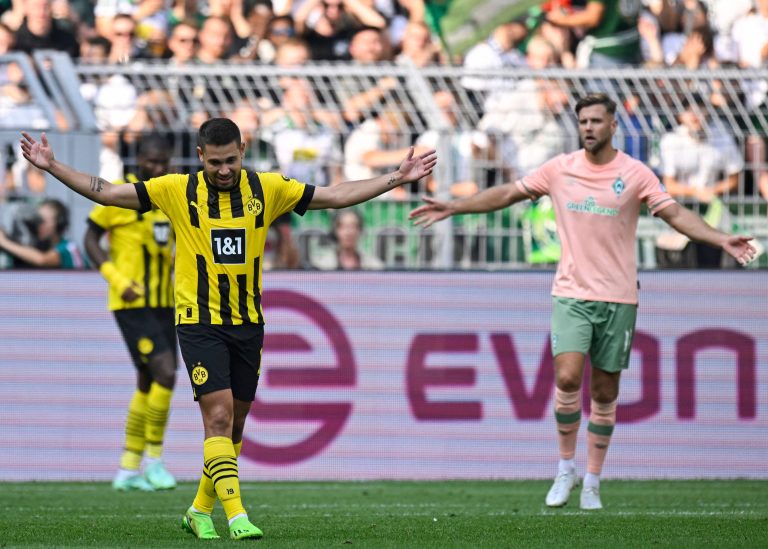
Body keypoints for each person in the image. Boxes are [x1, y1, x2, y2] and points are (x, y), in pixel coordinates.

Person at [20, 118, 436, 539]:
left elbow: (334, 195)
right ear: (200, 157)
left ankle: (200, 510)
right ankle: (237, 516)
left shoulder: (267, 189)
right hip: (199, 322)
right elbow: (106, 191)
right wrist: (53, 167)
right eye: (215, 162)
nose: (224, 170)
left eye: (231, 160)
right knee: (216, 417)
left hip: (248, 323)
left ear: (243, 149)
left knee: (234, 426)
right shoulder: (176, 190)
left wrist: (394, 179)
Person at [409, 93, 755, 510]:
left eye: (595, 121)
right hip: (571, 292)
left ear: (613, 126)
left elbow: (675, 214)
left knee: (605, 392)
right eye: (583, 121)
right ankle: (564, 467)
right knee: (569, 379)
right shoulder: (560, 169)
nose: (588, 127)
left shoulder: (635, 174)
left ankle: (592, 479)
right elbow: (507, 194)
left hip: (619, 297)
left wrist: (721, 238)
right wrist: (455, 207)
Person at [83, 134, 178, 492]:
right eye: (149, 160)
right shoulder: (119, 196)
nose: (155, 167)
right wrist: (115, 278)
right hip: (131, 303)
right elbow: (90, 239)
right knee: (167, 373)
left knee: (148, 381)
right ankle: (154, 460)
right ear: (138, 159)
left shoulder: (168, 198)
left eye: (161, 161)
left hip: (166, 301)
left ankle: (127, 468)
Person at [0, 198, 84, 269]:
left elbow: (41, 260)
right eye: (36, 220)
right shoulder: (42, 247)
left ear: (58, 224)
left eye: (43, 221)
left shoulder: (68, 248)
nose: (38, 225)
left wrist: (3, 242)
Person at [310, 208, 384, 270]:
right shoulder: (321, 265)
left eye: (353, 226)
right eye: (343, 227)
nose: (348, 232)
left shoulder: (374, 265)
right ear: (335, 230)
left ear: (360, 230)